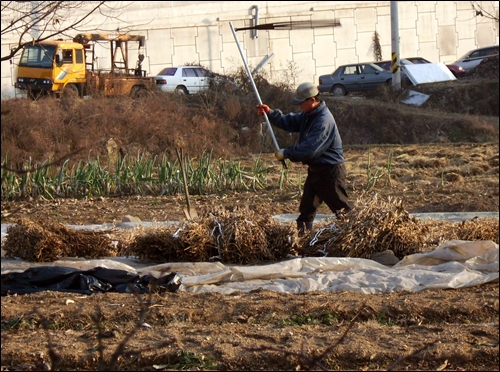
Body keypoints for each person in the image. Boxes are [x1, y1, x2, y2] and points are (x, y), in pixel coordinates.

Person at [256, 82, 352, 236]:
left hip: (330, 172)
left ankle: (359, 237)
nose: (300, 106)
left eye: (302, 103)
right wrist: (271, 113)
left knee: (342, 210)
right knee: (307, 208)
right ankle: (304, 240)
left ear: (312, 100)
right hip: (316, 170)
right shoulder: (309, 116)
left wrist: (287, 153)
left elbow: (309, 150)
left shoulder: (323, 120)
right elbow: (290, 121)